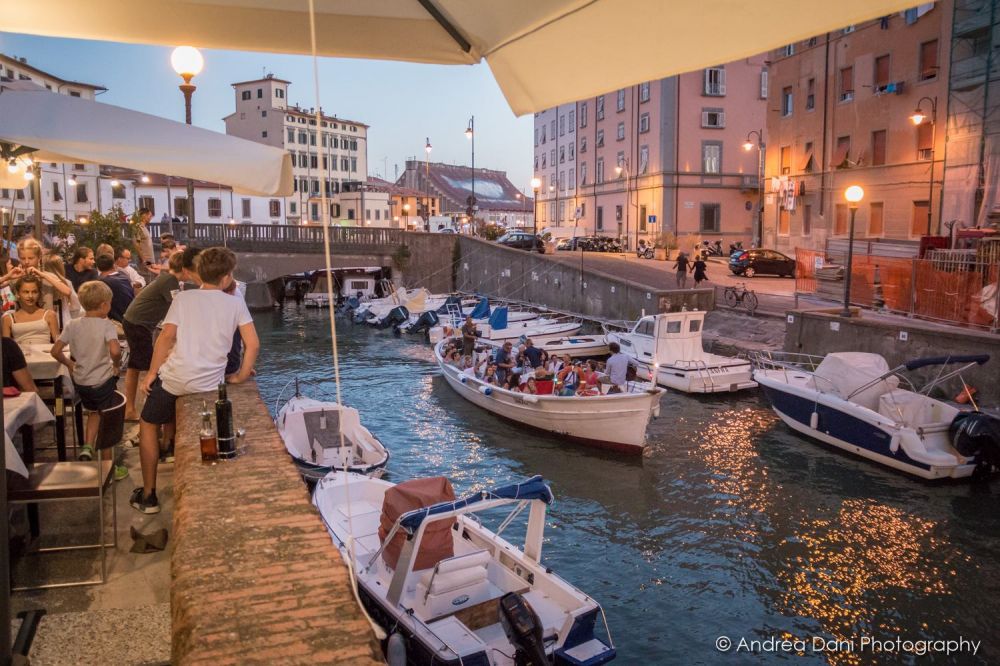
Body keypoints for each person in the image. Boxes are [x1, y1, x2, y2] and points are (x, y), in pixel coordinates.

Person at [135, 247, 259, 514]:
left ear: (199, 273)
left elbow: (166, 338)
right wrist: (239, 376)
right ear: (227, 277)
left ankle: (148, 495)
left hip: (175, 380)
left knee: (147, 424)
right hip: (209, 384)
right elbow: (252, 345)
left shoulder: (183, 299)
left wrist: (152, 373)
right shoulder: (236, 302)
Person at [50, 281, 128, 479]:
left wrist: (69, 364)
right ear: (104, 305)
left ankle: (87, 445)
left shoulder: (72, 324)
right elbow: (115, 350)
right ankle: (109, 468)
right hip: (103, 380)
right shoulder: (106, 325)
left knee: (93, 413)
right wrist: (117, 363)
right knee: (107, 419)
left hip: (81, 381)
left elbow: (55, 351)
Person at [122, 248, 202, 422]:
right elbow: (178, 307)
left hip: (134, 321)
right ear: (185, 269)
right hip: (139, 324)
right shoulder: (170, 281)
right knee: (148, 368)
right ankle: (144, 410)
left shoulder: (168, 278)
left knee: (135, 366)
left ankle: (130, 407)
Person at [2, 275, 59, 346]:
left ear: (39, 293)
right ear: (18, 294)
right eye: (26, 292)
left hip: (45, 355)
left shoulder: (50, 315)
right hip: (21, 356)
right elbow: (6, 348)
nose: (30, 296)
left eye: (34, 292)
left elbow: (58, 342)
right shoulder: (8, 319)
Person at [43, 254, 83, 324]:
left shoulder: (41, 282)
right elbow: (76, 306)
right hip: (63, 321)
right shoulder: (66, 283)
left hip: (44, 320)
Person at [95, 253, 135, 324]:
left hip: (117, 322)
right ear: (114, 265)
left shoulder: (102, 283)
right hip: (131, 318)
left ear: (98, 268)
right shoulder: (125, 277)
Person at [134, 207, 160, 278]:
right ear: (144, 215)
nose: (151, 218)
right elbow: (136, 244)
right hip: (145, 260)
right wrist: (144, 260)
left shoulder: (144, 227)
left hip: (149, 260)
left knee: (151, 279)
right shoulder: (138, 227)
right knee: (146, 280)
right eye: (150, 215)